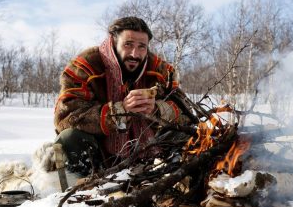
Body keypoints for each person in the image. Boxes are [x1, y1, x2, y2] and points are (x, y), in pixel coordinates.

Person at [53, 17, 190, 177]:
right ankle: (81, 191)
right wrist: (119, 111)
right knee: (69, 138)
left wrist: (157, 110)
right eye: (128, 44)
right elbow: (64, 118)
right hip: (99, 155)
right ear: (113, 41)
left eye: (141, 47)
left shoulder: (161, 70)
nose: (135, 54)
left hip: (152, 154)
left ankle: (174, 179)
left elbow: (187, 111)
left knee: (188, 134)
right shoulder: (85, 66)